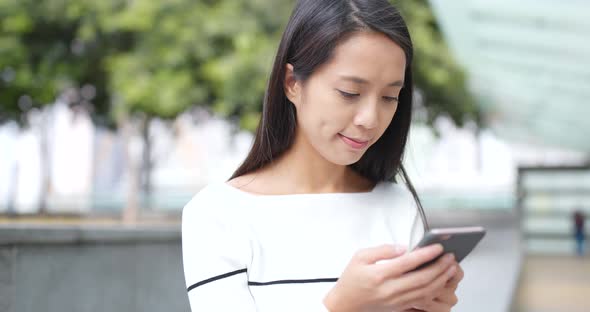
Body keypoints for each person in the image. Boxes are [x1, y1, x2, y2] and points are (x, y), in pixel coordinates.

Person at [182, 0, 464, 311]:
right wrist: (341, 306)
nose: (370, 118)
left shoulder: (397, 207)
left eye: (389, 97)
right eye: (350, 93)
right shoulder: (219, 215)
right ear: (292, 83)